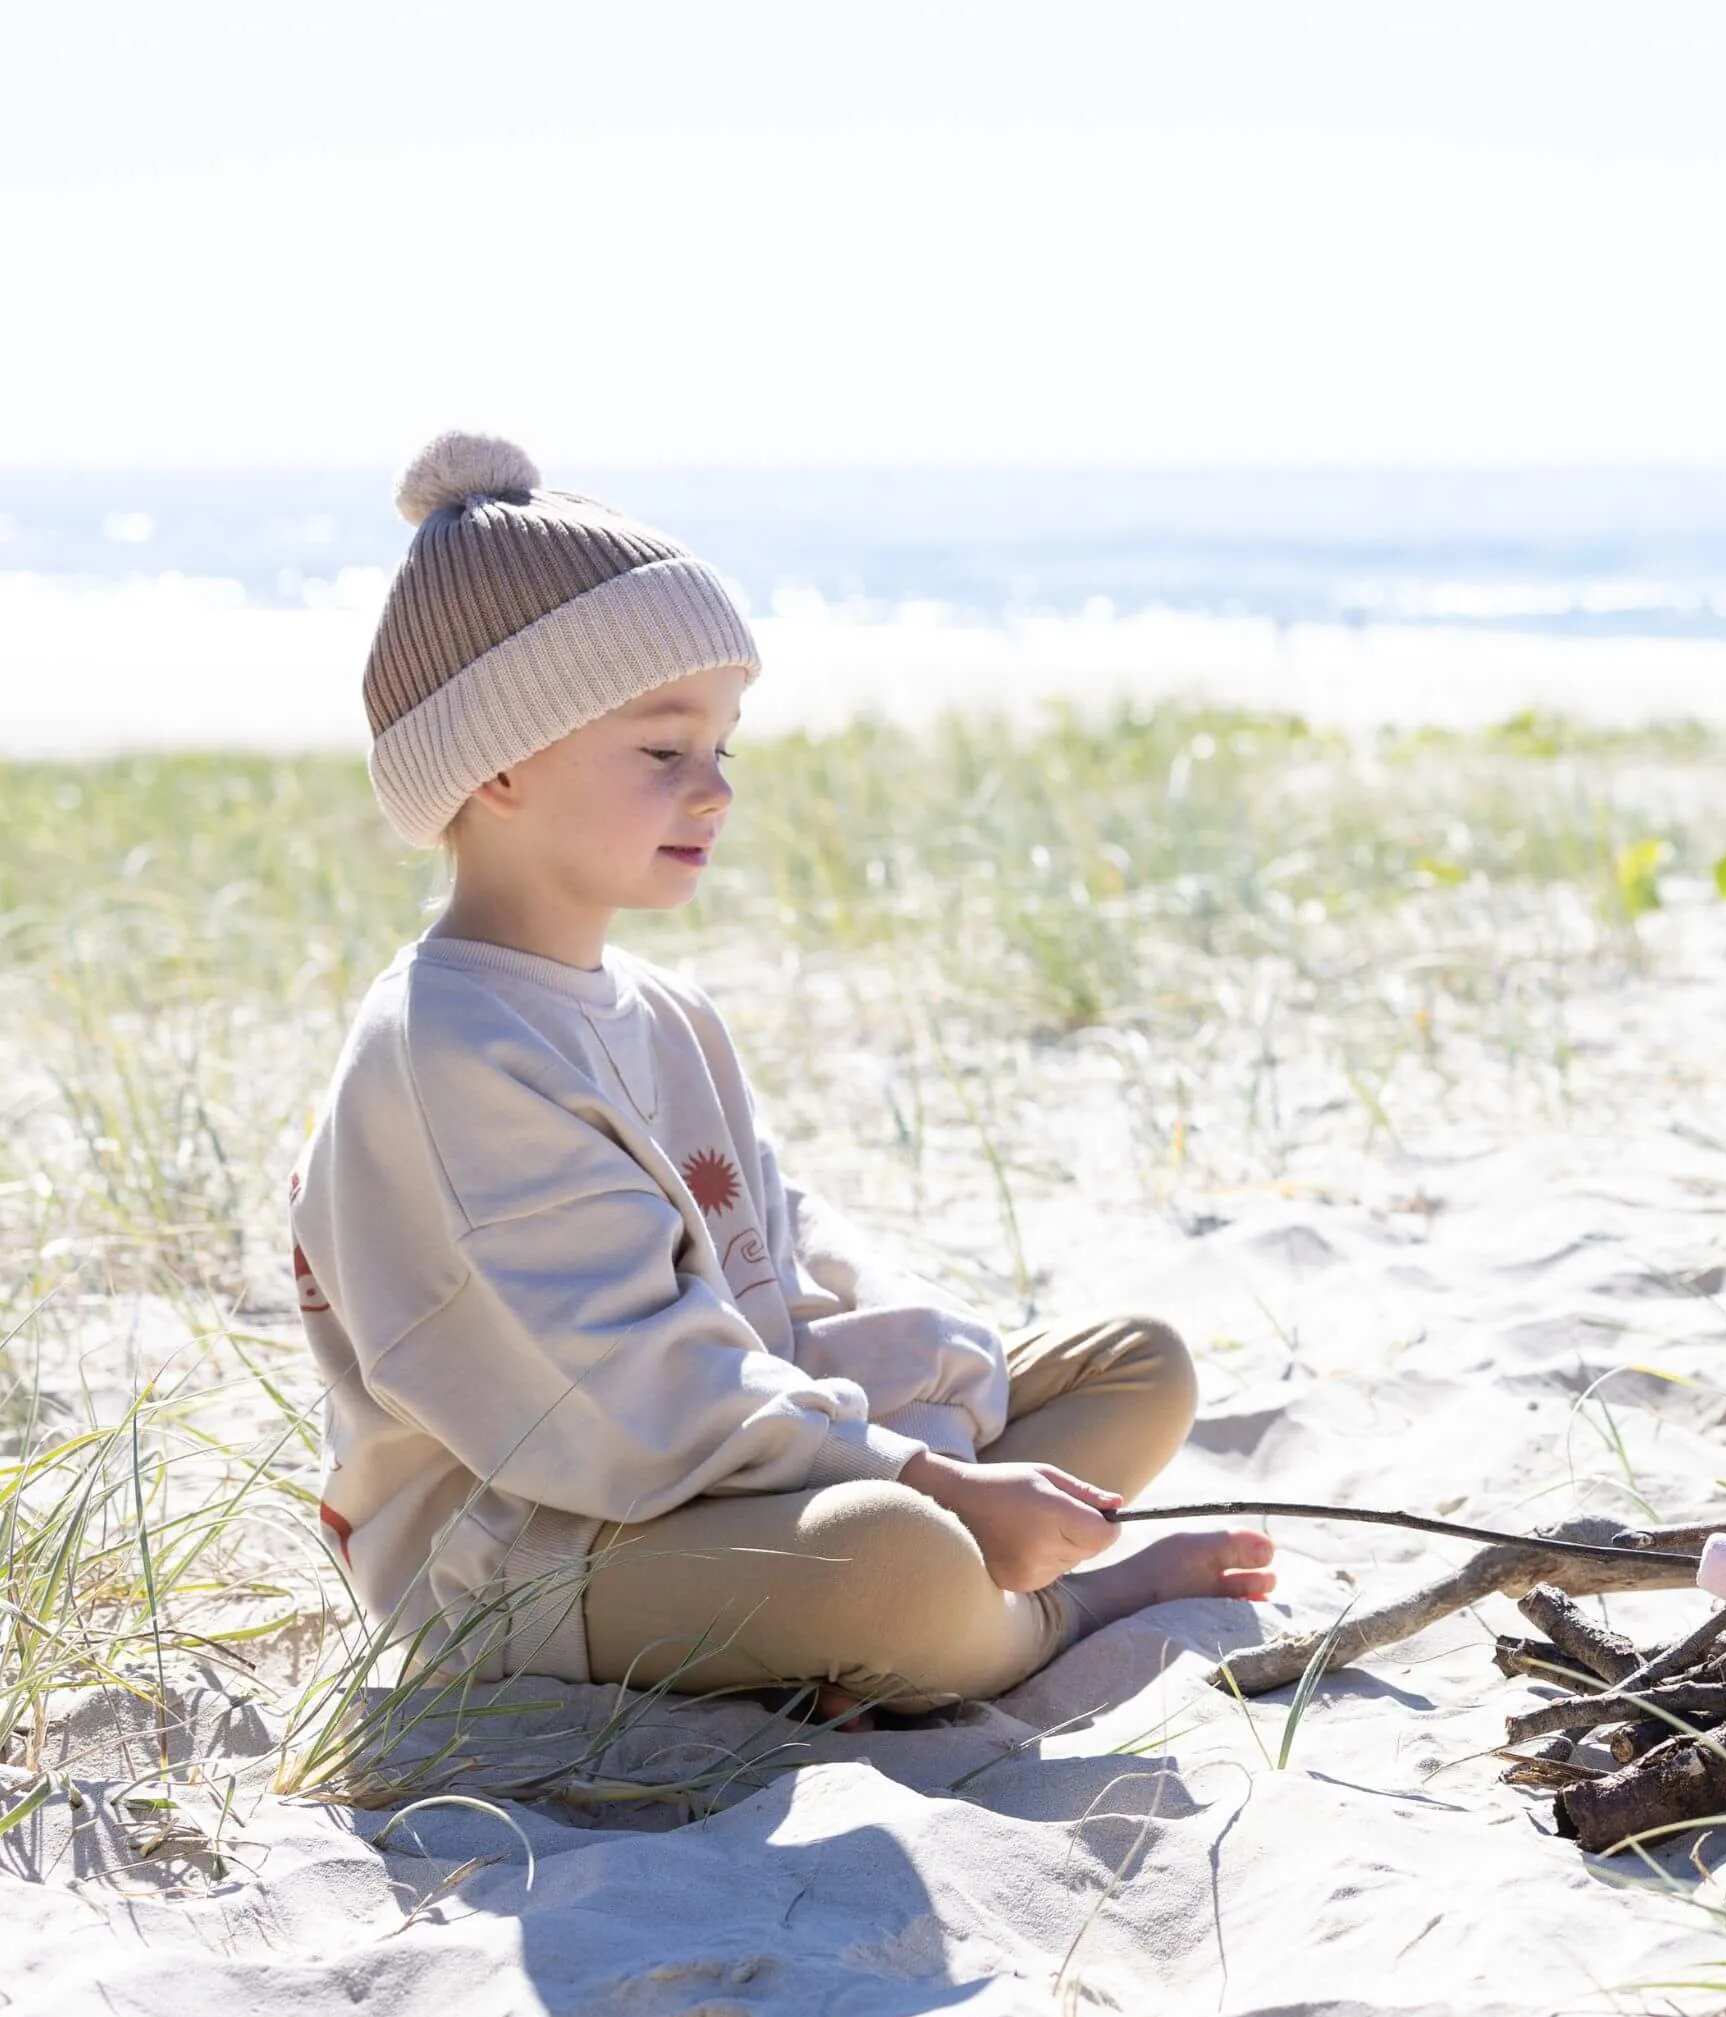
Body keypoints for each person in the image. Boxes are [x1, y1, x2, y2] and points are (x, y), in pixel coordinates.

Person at [290, 432, 1276, 1712]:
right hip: (541, 1549)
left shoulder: (662, 1009)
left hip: (739, 1464)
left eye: (724, 744)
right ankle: (1057, 1608)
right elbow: (623, 1399)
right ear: (496, 764)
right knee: (894, 1561)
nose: (714, 790)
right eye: (662, 750)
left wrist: (935, 1389)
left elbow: (779, 1257)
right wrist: (935, 1483)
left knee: (1134, 1362)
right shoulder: (445, 1050)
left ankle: (920, 1607)